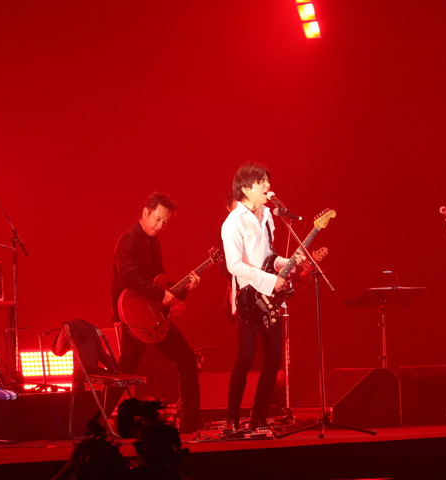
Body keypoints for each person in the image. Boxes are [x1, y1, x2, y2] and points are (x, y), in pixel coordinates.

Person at [220, 162, 303, 432]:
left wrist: (287, 262)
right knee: (245, 358)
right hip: (248, 299)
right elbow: (234, 265)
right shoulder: (233, 222)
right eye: (262, 182)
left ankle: (258, 417)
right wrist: (270, 281)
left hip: (270, 298)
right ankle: (232, 418)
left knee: (274, 360)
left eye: (268, 180)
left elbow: (268, 256)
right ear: (246, 188)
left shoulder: (267, 214)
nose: (268, 186)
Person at [111, 192, 201, 433]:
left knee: (185, 359)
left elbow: (159, 281)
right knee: (124, 371)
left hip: (152, 316)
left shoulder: (154, 243)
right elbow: (128, 276)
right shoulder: (128, 240)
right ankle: (94, 419)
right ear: (145, 213)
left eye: (165, 222)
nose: (160, 225)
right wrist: (160, 295)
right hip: (133, 315)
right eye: (158, 219)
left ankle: (191, 422)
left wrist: (184, 289)